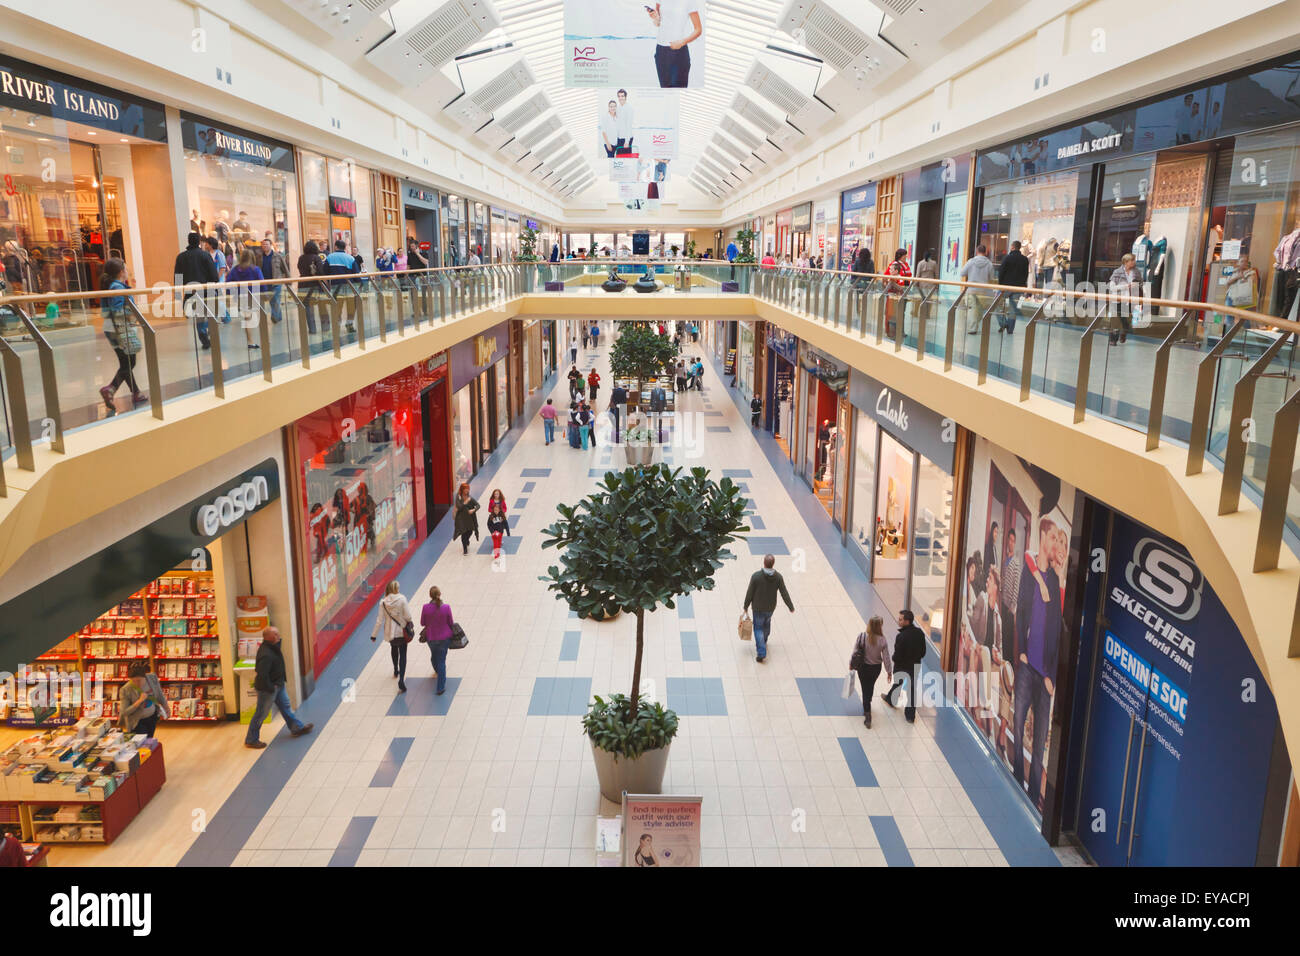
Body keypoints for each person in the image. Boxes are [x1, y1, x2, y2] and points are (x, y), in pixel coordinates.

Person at [1013, 518, 1063, 809]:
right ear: (1043, 537)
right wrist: (1020, 651)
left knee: (1040, 742)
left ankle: (1033, 797)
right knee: (1018, 727)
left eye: (1059, 539)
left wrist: (1052, 675)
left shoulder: (1055, 581)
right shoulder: (1030, 574)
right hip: (1025, 667)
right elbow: (1020, 612)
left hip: (1044, 678)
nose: (1055, 543)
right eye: (1053, 537)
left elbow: (1057, 630)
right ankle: (1018, 781)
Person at [245, 627, 313, 748]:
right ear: (268, 637)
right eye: (276, 634)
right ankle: (251, 739)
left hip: (278, 685)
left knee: (286, 707)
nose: (278, 635)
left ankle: (296, 728)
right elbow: (261, 674)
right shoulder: (266, 654)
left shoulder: (273, 647)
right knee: (261, 714)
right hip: (268, 689)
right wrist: (271, 688)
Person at [98, 259, 147, 413]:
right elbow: (117, 310)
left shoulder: (113, 286)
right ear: (121, 272)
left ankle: (134, 393)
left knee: (127, 362)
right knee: (129, 362)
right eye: (126, 268)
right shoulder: (117, 287)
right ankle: (110, 389)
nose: (128, 270)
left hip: (112, 328)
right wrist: (129, 321)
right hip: (119, 329)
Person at [742, 554, 795, 664]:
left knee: (758, 628)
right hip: (770, 607)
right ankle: (764, 641)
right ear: (773, 564)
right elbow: (784, 592)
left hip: (757, 607)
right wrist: (790, 606)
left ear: (764, 563)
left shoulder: (756, 576)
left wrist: (745, 606)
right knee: (767, 623)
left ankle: (761, 652)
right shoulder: (778, 577)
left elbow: (750, 592)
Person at [174, 232, 219, 349]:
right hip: (206, 291)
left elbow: (178, 277)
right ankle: (208, 332)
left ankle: (203, 333)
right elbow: (214, 275)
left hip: (190, 292)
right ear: (199, 242)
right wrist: (215, 284)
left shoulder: (181, 257)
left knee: (199, 315)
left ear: (188, 241)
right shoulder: (205, 255)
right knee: (210, 314)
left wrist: (178, 294)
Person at [882, 609, 926, 722]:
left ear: (907, 621)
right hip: (915, 666)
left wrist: (894, 659)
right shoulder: (920, 633)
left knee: (898, 684)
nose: (898, 621)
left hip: (901, 666)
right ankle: (910, 716)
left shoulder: (901, 637)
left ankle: (891, 699)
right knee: (912, 690)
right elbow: (923, 652)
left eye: (900, 619)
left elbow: (897, 655)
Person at [371, 580, 415, 693]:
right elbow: (408, 616)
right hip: (401, 631)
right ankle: (401, 680)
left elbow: (379, 621)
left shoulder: (383, 602)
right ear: (397, 589)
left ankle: (396, 669)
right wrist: (408, 621)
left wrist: (374, 635)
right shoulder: (402, 599)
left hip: (390, 632)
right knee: (403, 654)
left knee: (394, 649)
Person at [850, 616, 893, 728]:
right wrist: (889, 671)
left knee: (865, 688)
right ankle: (868, 700)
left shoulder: (862, 636)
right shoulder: (882, 640)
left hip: (863, 668)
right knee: (870, 685)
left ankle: (867, 715)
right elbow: (886, 657)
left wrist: (851, 663)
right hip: (875, 668)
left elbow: (855, 652)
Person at [226, 249, 265, 347]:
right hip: (254, 296)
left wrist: (231, 293)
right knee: (253, 318)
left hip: (241, 296)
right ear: (252, 258)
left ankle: (250, 340)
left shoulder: (235, 269)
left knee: (247, 318)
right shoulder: (255, 269)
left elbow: (228, 283)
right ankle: (253, 341)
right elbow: (262, 283)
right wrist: (264, 293)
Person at [421, 586, 455, 695]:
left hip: (431, 638)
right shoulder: (446, 607)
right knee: (442, 661)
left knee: (434, 656)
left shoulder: (425, 607)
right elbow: (451, 622)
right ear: (439, 594)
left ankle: (437, 670)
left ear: (430, 595)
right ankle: (440, 688)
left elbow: (422, 623)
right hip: (445, 638)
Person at [119, 660, 166, 737]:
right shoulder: (125, 690)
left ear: (145, 677)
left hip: (152, 717)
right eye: (134, 681)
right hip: (137, 722)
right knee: (141, 743)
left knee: (150, 739)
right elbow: (124, 712)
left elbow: (159, 693)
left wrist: (166, 706)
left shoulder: (152, 678)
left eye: (139, 680)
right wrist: (139, 701)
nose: (137, 683)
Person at [960, 243, 996, 333]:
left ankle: (972, 328)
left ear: (977, 251)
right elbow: (991, 278)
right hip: (984, 291)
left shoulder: (970, 262)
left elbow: (962, 273)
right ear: (986, 252)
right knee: (979, 310)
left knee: (972, 309)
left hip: (971, 289)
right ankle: (974, 326)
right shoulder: (989, 264)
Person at [997, 240, 1030, 333]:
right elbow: (1025, 274)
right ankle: (1010, 329)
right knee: (1013, 308)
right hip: (1018, 288)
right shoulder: (1025, 259)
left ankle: (1003, 323)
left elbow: (1001, 272)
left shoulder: (1007, 258)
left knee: (997, 304)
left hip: (1006, 287)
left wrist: (1000, 284)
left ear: (1012, 247)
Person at [1108, 253, 1141, 344]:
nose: (1134, 262)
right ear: (1126, 262)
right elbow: (1112, 287)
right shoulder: (1117, 272)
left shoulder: (1136, 272)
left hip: (1131, 299)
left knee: (1126, 319)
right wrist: (1126, 286)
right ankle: (1113, 340)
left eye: (1134, 260)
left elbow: (1141, 284)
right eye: (1132, 260)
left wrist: (1136, 286)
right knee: (1117, 320)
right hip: (1118, 300)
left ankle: (1124, 332)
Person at [296, 239, 325, 334]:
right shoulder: (316, 258)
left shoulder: (301, 258)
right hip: (315, 285)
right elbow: (321, 272)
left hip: (303, 284)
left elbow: (299, 268)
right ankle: (325, 327)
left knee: (308, 307)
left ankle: (312, 329)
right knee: (321, 306)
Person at [260, 236, 290, 325]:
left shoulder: (278, 256)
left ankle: (275, 317)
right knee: (272, 300)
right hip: (265, 282)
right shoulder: (259, 257)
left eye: (267, 244)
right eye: (263, 244)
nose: (265, 246)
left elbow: (285, 268)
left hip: (276, 282)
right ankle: (279, 316)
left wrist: (289, 281)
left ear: (270, 245)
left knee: (275, 300)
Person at [453, 483, 480, 555]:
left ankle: (467, 540)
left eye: (468, 489)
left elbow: (478, 505)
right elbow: (459, 507)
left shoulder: (470, 498)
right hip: (461, 518)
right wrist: (465, 502)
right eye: (465, 489)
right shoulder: (458, 497)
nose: (467, 491)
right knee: (463, 532)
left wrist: (473, 510)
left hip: (469, 518)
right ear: (462, 490)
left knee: (470, 531)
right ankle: (465, 549)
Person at [914, 248, 939, 323]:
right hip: (931, 284)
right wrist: (936, 284)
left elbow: (918, 274)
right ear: (930, 256)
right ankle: (927, 314)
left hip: (922, 284)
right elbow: (936, 274)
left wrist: (915, 283)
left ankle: (918, 313)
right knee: (929, 300)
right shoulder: (934, 263)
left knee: (921, 299)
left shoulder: (920, 263)